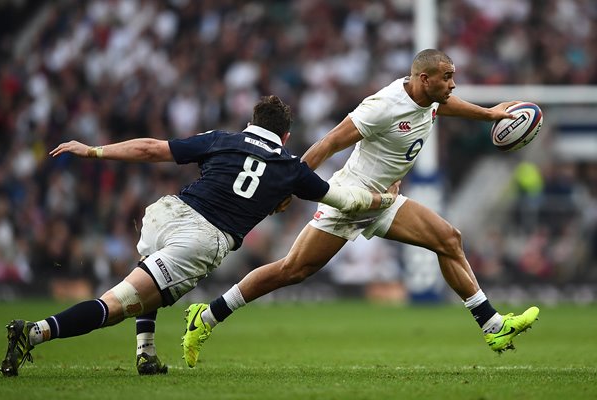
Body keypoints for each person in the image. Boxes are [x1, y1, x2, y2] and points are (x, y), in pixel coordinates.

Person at [182, 49, 540, 368]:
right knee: (292, 270)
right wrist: (290, 184)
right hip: (350, 197)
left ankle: (493, 326)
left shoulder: (431, 96)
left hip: (384, 200)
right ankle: (209, 315)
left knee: (448, 239)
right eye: (447, 77)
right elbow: (330, 142)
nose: (453, 84)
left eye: (453, 77)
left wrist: (490, 114)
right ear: (423, 78)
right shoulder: (382, 106)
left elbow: (444, 105)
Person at [0, 95, 400, 377]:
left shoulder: (221, 139)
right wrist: (382, 196)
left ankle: (146, 353)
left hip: (165, 214)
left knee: (148, 278)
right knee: (117, 303)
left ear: (251, 124)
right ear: (287, 137)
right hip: (201, 238)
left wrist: (95, 151)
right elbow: (344, 199)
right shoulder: (290, 168)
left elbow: (151, 149)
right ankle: (36, 332)